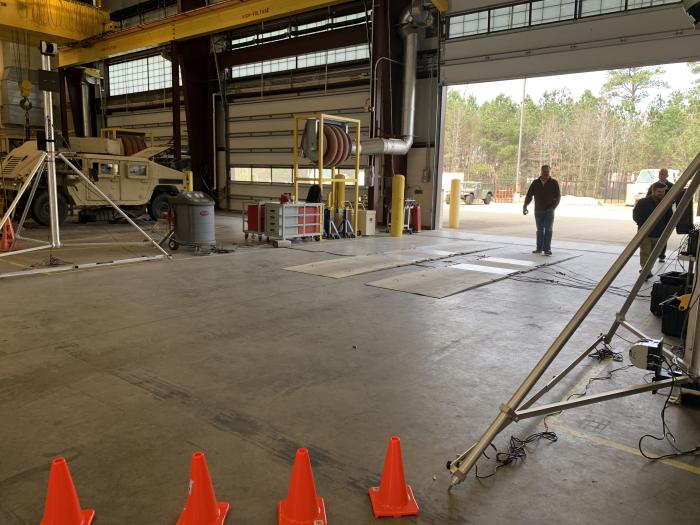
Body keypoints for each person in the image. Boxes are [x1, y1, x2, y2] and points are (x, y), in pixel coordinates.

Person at [633, 181, 672, 279]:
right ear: (653, 191)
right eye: (659, 191)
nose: (661, 194)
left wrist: (664, 229)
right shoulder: (643, 202)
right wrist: (642, 226)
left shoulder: (666, 204)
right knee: (645, 252)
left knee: (654, 255)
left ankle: (647, 269)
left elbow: (669, 218)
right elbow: (636, 215)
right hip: (645, 234)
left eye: (663, 192)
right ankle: (646, 271)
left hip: (659, 234)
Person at [523, 165, 561, 256]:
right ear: (541, 171)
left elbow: (558, 196)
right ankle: (539, 248)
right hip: (538, 210)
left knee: (548, 229)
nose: (545, 173)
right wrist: (525, 206)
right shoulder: (535, 183)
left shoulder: (554, 182)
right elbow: (529, 195)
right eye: (544, 171)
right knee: (540, 230)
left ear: (549, 172)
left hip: (549, 210)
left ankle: (547, 249)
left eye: (547, 171)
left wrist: (553, 208)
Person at [645, 168, 673, 262]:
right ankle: (651, 256)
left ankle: (662, 255)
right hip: (654, 210)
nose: (662, 176)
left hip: (666, 212)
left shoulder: (671, 186)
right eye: (660, 174)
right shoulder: (653, 186)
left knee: (663, 234)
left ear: (667, 175)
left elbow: (675, 199)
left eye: (664, 174)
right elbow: (647, 197)